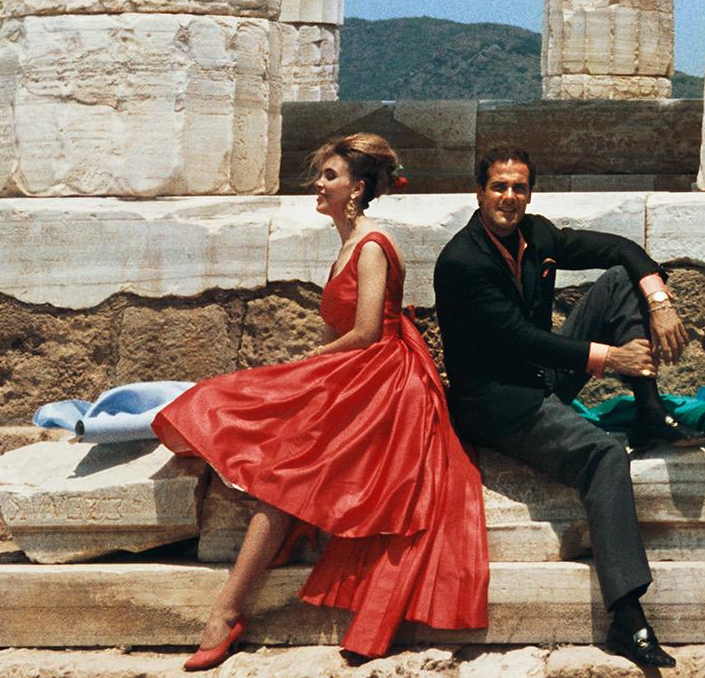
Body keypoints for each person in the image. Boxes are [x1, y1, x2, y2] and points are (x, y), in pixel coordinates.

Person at [156, 133, 488, 669]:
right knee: (230, 403)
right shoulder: (349, 241)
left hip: (385, 383)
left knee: (282, 462)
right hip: (358, 373)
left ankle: (226, 610)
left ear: (356, 188)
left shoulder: (374, 244)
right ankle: (230, 603)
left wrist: (303, 365)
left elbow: (366, 333)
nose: (319, 183)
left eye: (329, 176)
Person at [432, 145, 686, 671]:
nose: (509, 197)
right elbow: (518, 339)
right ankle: (627, 616)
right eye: (499, 187)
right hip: (499, 402)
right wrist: (609, 357)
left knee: (619, 281)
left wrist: (657, 299)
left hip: (541, 377)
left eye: (519, 188)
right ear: (479, 193)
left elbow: (619, 248)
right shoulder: (462, 262)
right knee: (604, 455)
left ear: (530, 193)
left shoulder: (539, 234)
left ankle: (648, 409)